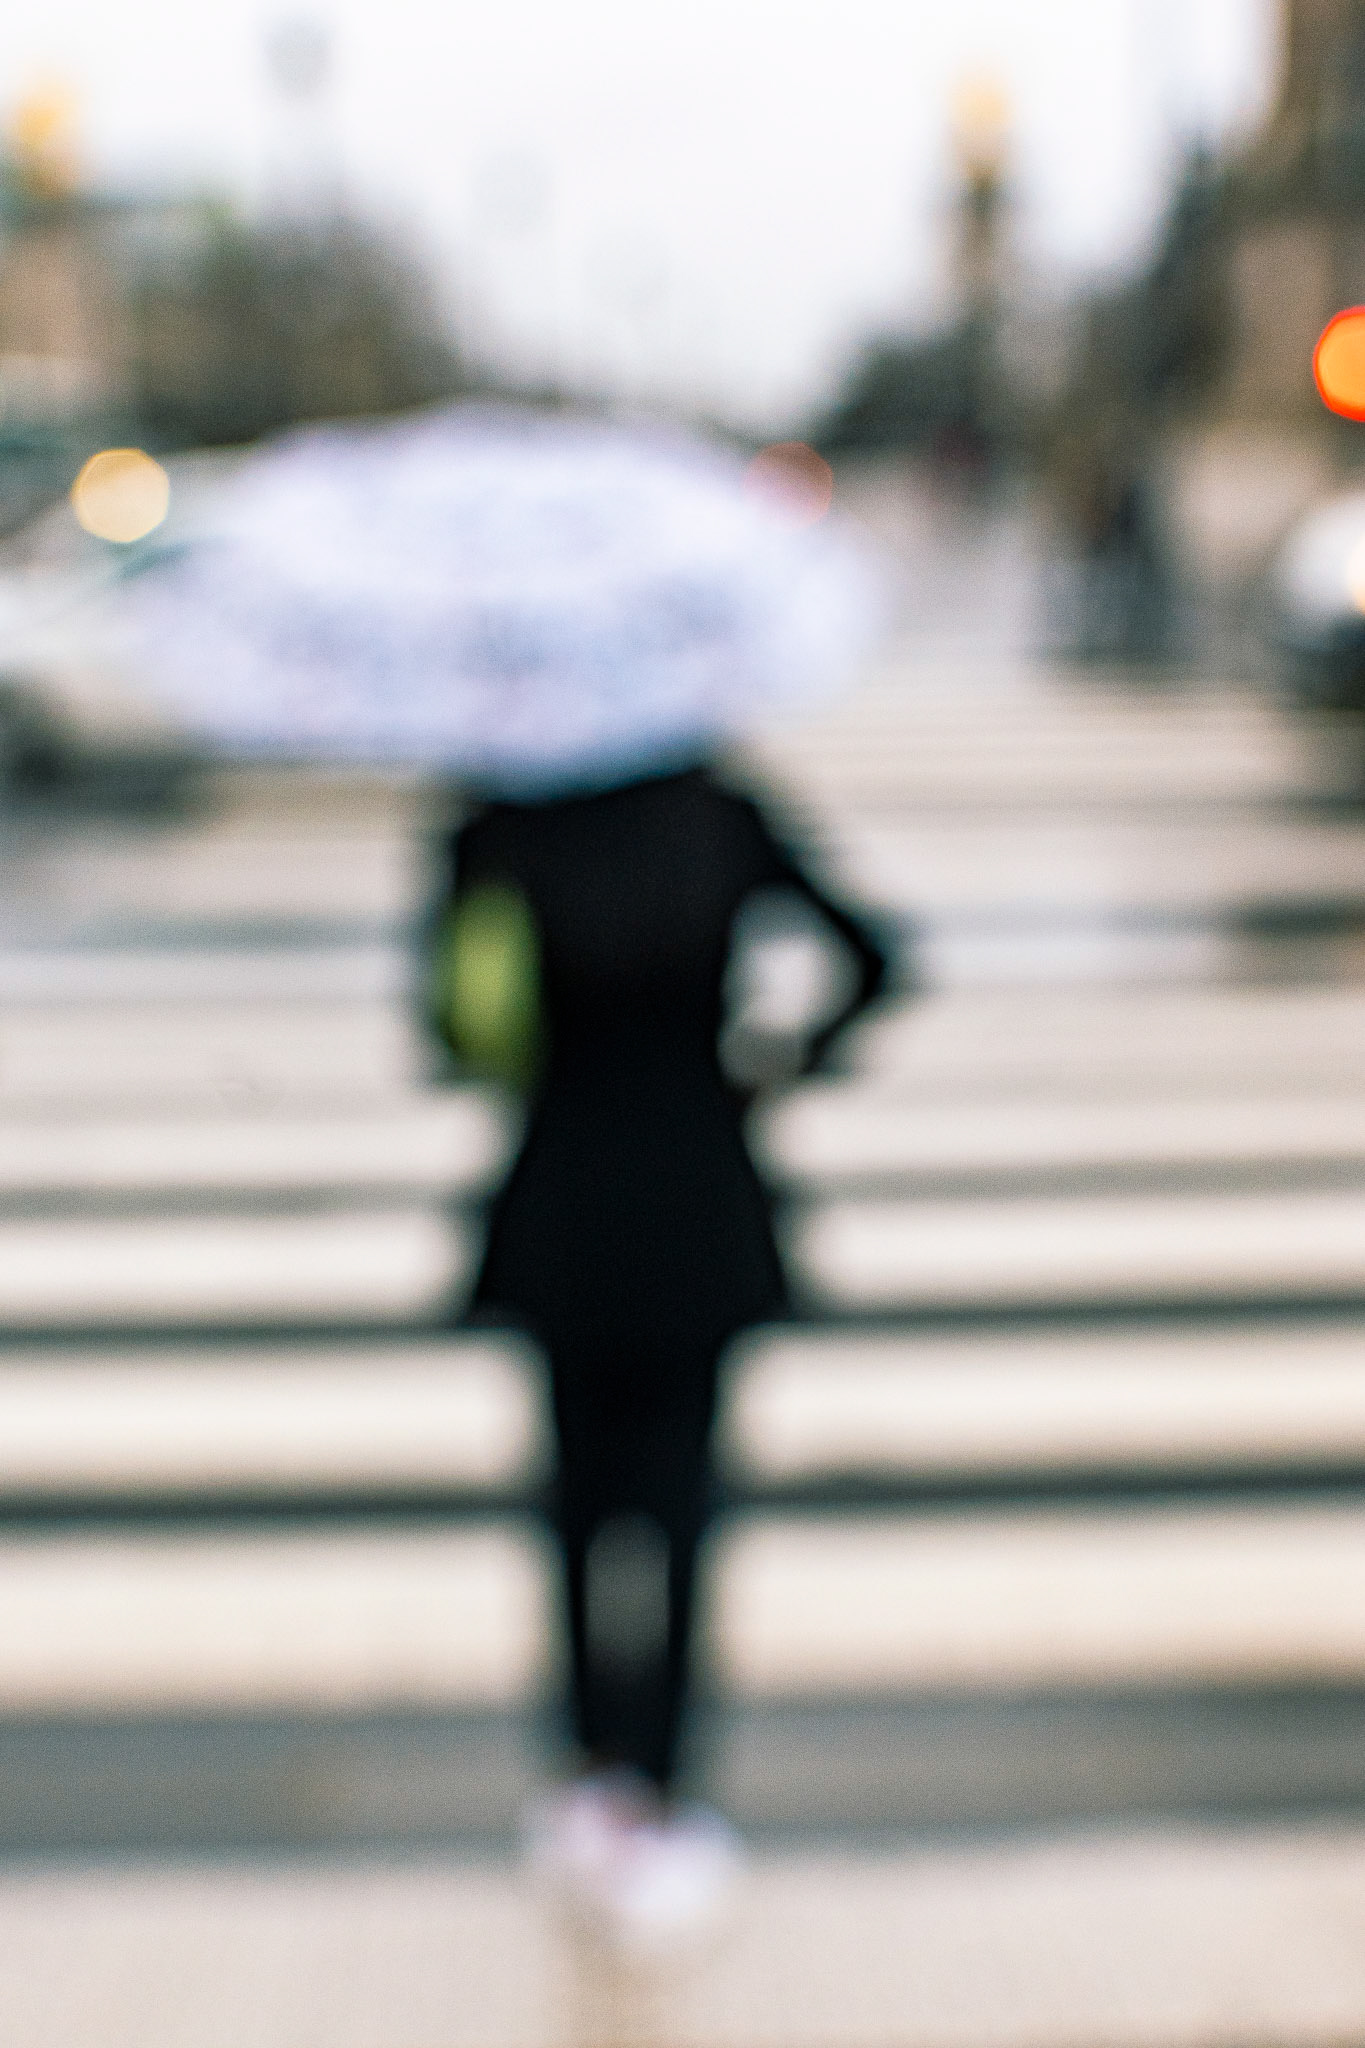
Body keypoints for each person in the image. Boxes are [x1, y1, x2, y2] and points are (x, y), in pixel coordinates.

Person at [430, 760, 888, 1942]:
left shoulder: (498, 820)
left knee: (577, 1506)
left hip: (565, 1203)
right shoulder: (721, 812)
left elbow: (455, 1021)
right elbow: (874, 957)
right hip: (700, 1193)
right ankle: (670, 1779)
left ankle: (592, 1770)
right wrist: (775, 1060)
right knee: (682, 1505)